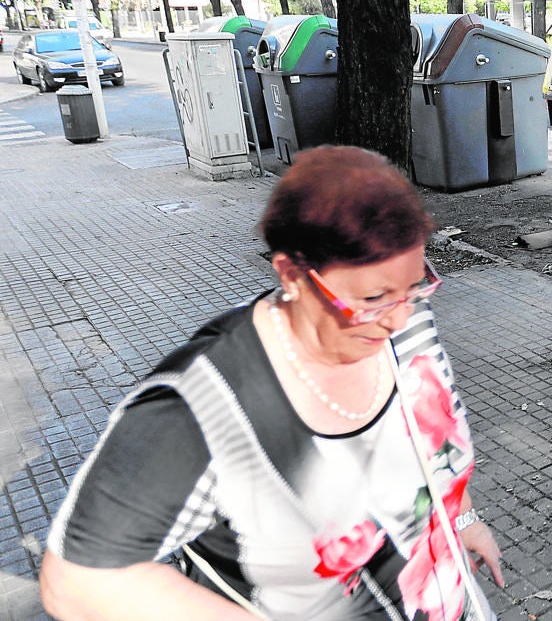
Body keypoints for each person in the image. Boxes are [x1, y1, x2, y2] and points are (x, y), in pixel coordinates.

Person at [40, 146, 504, 620]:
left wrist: (461, 520)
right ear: (293, 274)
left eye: (415, 285)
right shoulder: (202, 408)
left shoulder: (406, 318)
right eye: (372, 297)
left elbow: (433, 442)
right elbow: (77, 582)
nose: (400, 315)